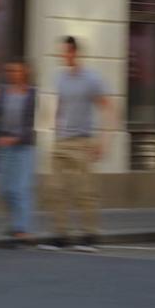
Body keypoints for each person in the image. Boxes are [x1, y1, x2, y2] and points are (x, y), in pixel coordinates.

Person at [43, 36, 113, 252]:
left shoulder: (92, 79)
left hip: (83, 141)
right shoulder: (60, 78)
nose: (62, 56)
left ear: (74, 53)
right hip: (62, 141)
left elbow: (107, 108)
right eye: (61, 52)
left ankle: (90, 234)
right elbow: (60, 106)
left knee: (84, 190)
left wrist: (103, 141)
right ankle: (61, 234)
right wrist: (54, 130)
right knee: (56, 188)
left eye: (65, 52)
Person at [0, 59, 38, 245]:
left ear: (25, 72)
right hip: (4, 146)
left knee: (20, 188)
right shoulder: (3, 91)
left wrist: (15, 138)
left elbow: (33, 123)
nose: (13, 73)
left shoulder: (32, 94)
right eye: (10, 70)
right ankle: (15, 224)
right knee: (4, 190)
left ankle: (21, 229)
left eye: (17, 70)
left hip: (23, 147)